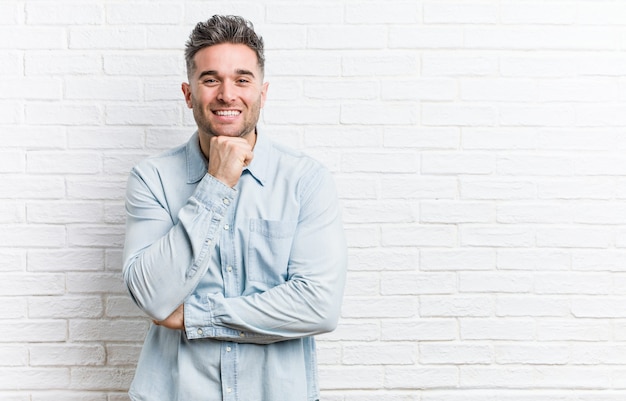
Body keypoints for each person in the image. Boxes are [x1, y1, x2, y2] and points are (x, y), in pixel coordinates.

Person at [122, 14, 347, 401]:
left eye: (242, 79)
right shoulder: (151, 179)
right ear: (189, 93)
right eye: (211, 79)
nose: (227, 94)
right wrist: (217, 184)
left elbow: (318, 305)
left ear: (262, 92)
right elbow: (152, 296)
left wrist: (195, 317)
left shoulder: (306, 180)